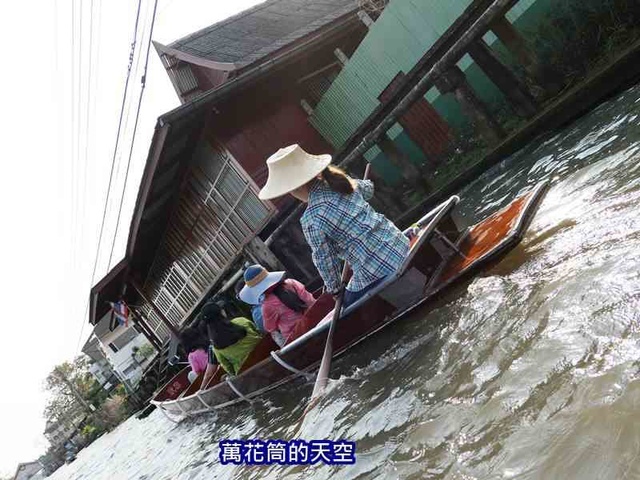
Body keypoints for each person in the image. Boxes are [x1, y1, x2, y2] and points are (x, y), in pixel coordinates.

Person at [258, 144, 409, 308]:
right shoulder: (340, 183)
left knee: (345, 304)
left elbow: (325, 261)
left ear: (295, 187)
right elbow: (368, 190)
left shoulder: (311, 218)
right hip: (399, 243)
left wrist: (335, 290)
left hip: (377, 269)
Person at [238, 264, 315, 343]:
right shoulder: (292, 282)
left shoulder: (267, 305)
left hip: (296, 337)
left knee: (274, 334)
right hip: (314, 319)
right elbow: (310, 301)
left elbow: (270, 328)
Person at [199, 302, 262, 377]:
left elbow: (229, 369)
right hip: (267, 354)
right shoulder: (241, 321)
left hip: (248, 374)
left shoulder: (216, 346)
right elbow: (260, 334)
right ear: (221, 313)